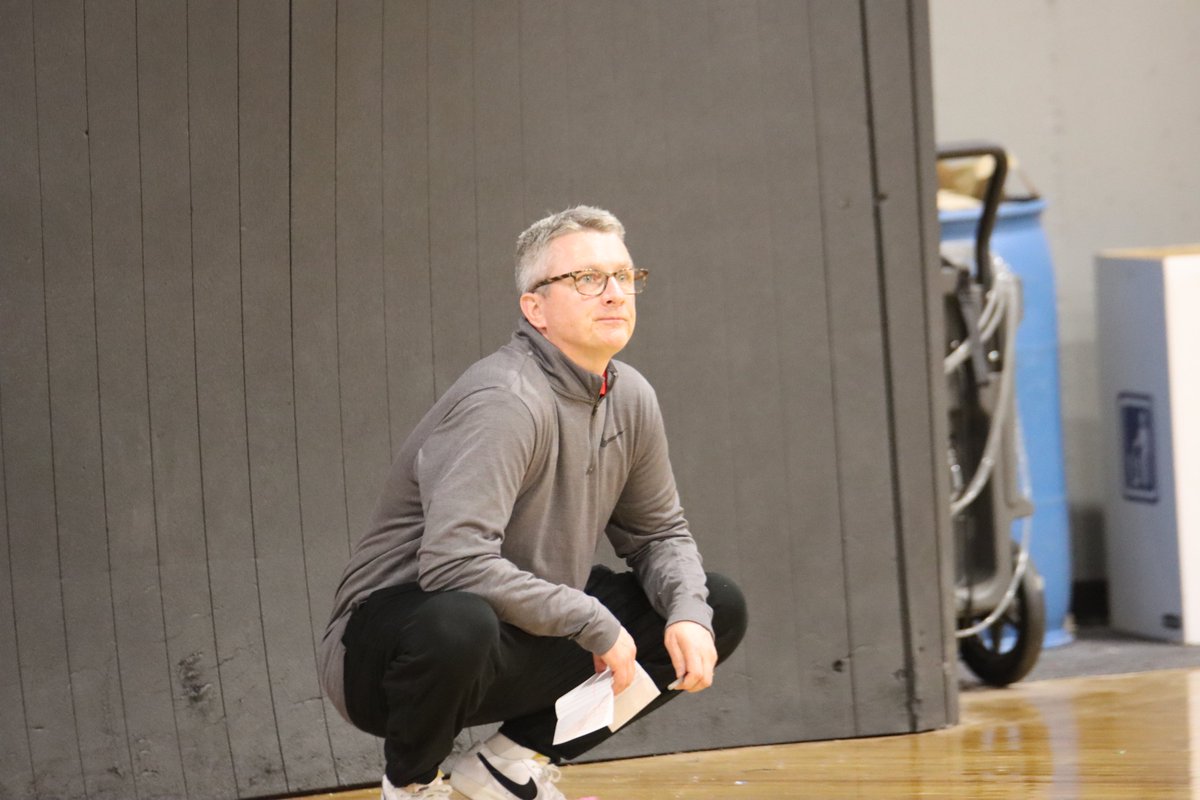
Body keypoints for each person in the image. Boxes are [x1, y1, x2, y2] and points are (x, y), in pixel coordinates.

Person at [318, 205, 748, 799]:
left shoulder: (632, 397)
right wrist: (593, 621)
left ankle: (508, 766)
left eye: (624, 277)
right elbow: (454, 564)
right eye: (586, 279)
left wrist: (688, 615)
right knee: (459, 619)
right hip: (391, 654)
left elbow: (658, 535)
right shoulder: (506, 400)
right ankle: (412, 785)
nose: (614, 293)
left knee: (713, 604)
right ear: (535, 309)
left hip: (522, 631)